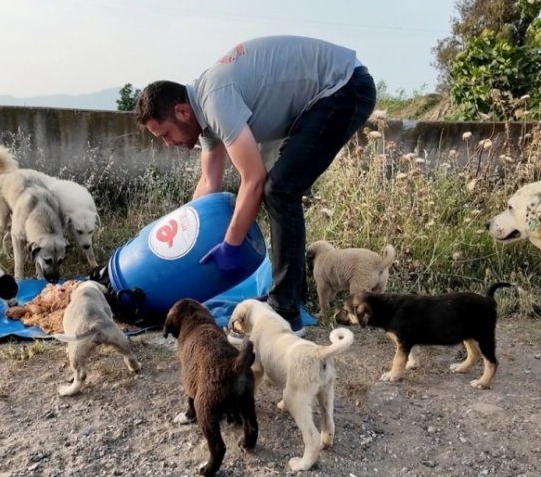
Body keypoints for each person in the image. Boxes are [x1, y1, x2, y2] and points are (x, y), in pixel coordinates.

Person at [135, 35, 376, 337]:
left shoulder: (215, 100)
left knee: (280, 189)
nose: (169, 144)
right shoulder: (204, 114)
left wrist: (231, 245)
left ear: (182, 112)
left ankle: (285, 313)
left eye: (165, 134)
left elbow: (253, 179)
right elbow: (209, 183)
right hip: (328, 93)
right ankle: (291, 299)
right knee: (281, 188)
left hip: (345, 86)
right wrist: (183, 237)